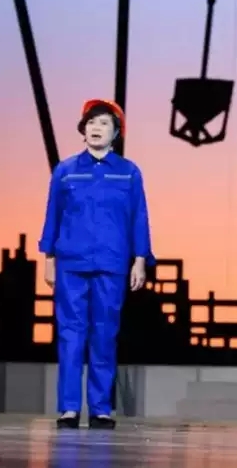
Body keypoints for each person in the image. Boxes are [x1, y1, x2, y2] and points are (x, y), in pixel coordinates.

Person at [39, 99, 155, 429]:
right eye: (91, 122)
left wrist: (140, 259)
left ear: (116, 133)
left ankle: (101, 408)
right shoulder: (66, 170)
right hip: (71, 262)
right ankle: (69, 408)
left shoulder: (128, 172)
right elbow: (52, 215)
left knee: (104, 334)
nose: (96, 128)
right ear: (83, 129)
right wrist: (48, 259)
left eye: (104, 123)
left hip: (111, 262)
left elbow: (139, 217)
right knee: (70, 335)